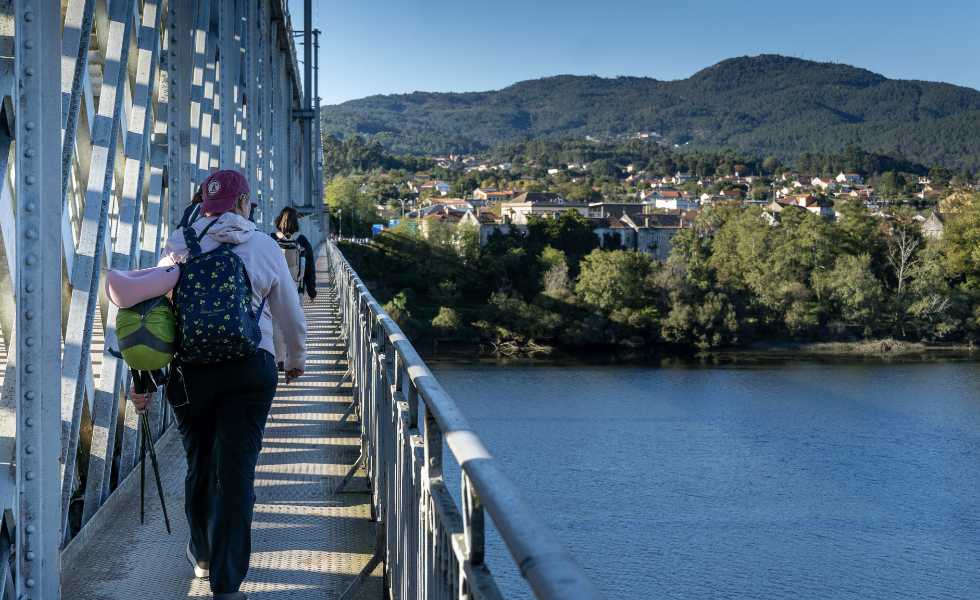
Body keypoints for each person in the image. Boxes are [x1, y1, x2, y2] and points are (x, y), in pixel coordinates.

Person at [131, 170, 306, 600]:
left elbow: (153, 312)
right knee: (237, 472)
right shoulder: (263, 245)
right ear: (244, 202)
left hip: (192, 373)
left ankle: (203, 553)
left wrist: (144, 376)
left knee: (200, 463)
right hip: (250, 370)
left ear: (204, 203)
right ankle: (226, 585)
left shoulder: (179, 243)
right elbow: (291, 314)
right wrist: (294, 360)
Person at [271, 206, 316, 302]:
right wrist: (312, 292)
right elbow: (309, 269)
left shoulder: (271, 239)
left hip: (274, 290)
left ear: (279, 220)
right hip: (295, 290)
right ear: (296, 222)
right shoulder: (302, 240)